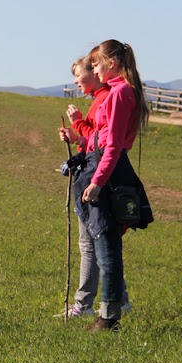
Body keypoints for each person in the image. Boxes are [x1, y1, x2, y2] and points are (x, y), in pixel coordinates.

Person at [73, 40, 152, 332]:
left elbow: (114, 144)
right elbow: (101, 137)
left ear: (112, 63)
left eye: (96, 63)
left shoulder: (121, 93)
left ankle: (108, 317)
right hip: (104, 165)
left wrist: (97, 181)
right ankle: (108, 313)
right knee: (104, 242)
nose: (93, 68)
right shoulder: (118, 91)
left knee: (106, 245)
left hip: (109, 170)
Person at [56, 54, 131, 318]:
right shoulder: (105, 97)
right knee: (102, 243)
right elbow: (93, 142)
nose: (76, 81)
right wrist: (77, 136)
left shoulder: (111, 96)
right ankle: (120, 300)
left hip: (100, 174)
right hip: (97, 170)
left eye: (79, 74)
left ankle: (85, 305)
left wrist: (78, 124)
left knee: (93, 242)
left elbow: (104, 142)